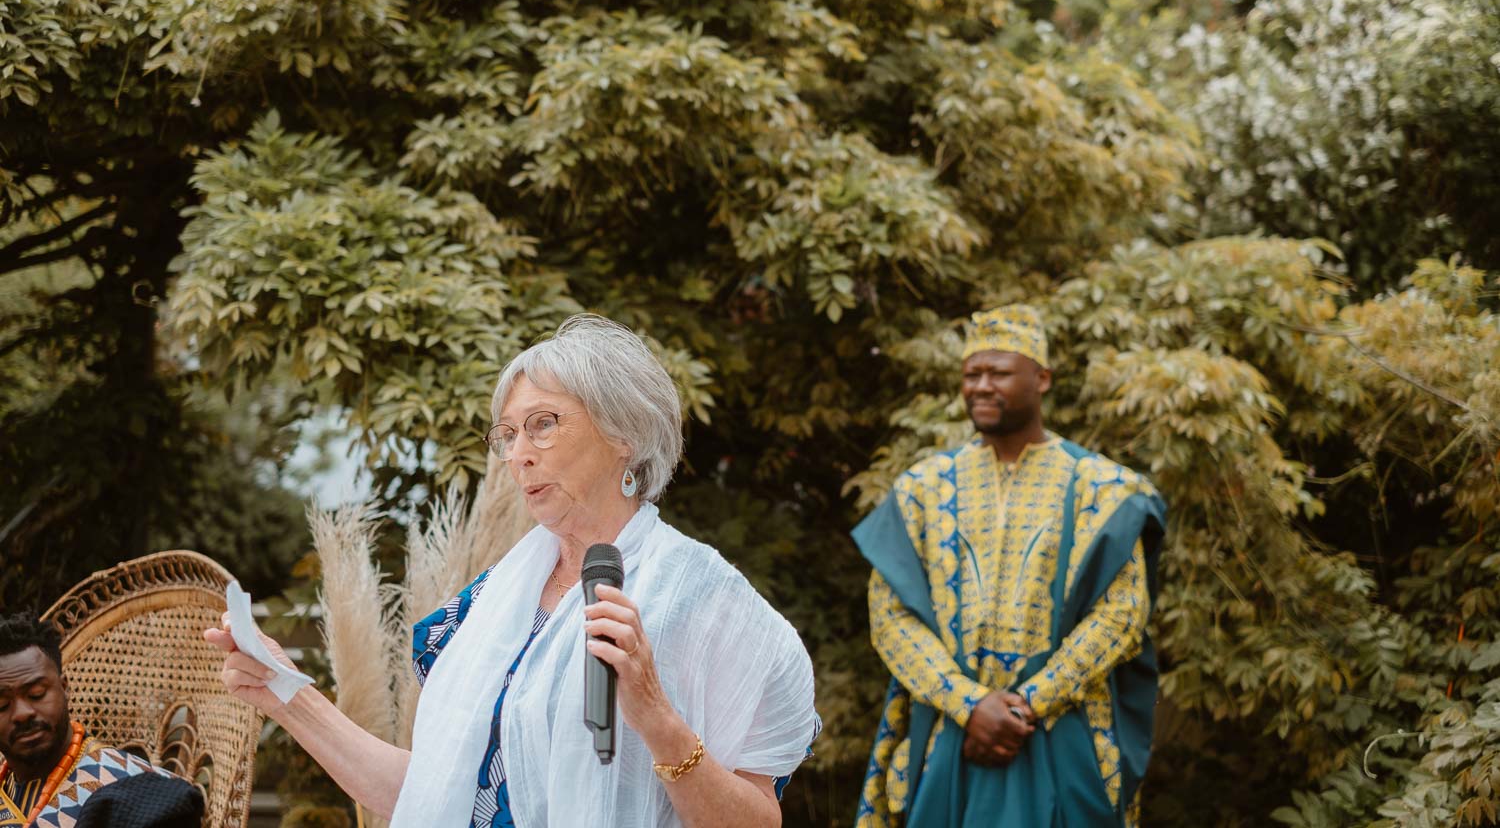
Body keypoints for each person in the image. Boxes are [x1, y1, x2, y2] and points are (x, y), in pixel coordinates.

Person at [207, 314, 819, 828]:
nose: (518, 453)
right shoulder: (490, 602)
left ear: (624, 434)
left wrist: (656, 717)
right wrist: (285, 694)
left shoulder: (704, 601)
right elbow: (427, 794)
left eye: (543, 425)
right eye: (506, 434)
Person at [852, 304, 1167, 827]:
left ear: (1041, 378)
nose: (980, 386)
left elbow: (1122, 615)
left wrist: (1026, 706)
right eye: (971, 374)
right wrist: (970, 704)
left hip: (1062, 731)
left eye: (998, 372)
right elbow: (889, 616)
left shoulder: (1105, 489)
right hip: (947, 732)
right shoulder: (922, 489)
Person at [0, 613, 204, 828]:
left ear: (64, 688)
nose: (23, 713)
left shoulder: (139, 796)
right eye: (2, 705)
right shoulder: (7, 783)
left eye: (37, 693)